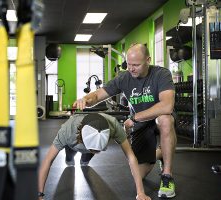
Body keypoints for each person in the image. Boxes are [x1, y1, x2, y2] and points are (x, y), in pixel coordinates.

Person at [73, 43, 177, 198]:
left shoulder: (161, 74)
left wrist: (134, 118)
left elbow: (167, 106)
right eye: (128, 64)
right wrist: (85, 99)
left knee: (165, 120)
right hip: (141, 125)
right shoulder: (124, 77)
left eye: (136, 65)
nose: (131, 68)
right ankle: (160, 153)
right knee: (139, 175)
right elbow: (99, 94)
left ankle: (167, 175)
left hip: (155, 119)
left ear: (148, 60)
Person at [38, 113, 151, 200]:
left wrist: (140, 192)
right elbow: (48, 159)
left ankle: (86, 156)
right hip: (71, 145)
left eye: (97, 150)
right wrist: (39, 194)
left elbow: (131, 157)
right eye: (93, 149)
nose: (96, 151)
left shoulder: (114, 126)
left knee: (85, 160)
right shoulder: (67, 131)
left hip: (88, 148)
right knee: (70, 159)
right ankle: (70, 156)